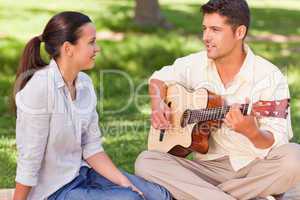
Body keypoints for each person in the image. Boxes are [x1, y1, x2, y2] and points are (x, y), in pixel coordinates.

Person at [134, 0, 300, 200]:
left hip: (253, 169)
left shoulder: (269, 76)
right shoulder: (195, 63)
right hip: (207, 168)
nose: (206, 37)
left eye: (215, 29)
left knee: (294, 158)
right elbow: (158, 78)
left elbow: (276, 141)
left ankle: (204, 195)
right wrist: (158, 103)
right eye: (204, 28)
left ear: (239, 32)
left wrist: (252, 132)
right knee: (146, 162)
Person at [12, 11, 172, 200]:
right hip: (54, 191)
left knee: (159, 195)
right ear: (68, 48)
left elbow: (91, 147)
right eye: (91, 42)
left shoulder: (84, 84)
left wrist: (125, 183)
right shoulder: (39, 90)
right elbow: (29, 161)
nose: (97, 48)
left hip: (82, 174)